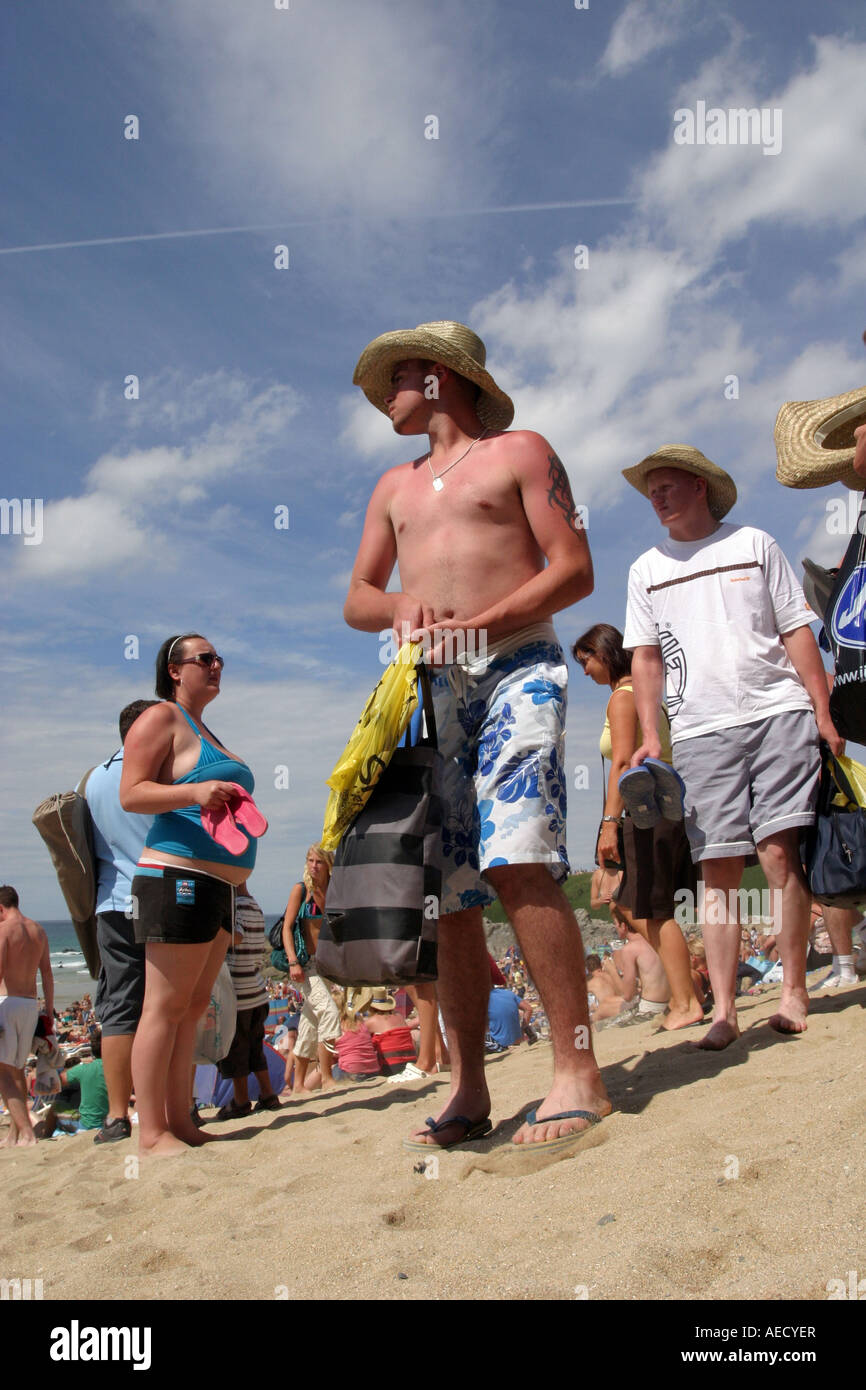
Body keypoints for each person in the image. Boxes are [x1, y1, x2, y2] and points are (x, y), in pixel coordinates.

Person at [346, 319, 610, 1152]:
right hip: (430, 692)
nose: (387, 391)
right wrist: (399, 609)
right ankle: (469, 1085)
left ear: (440, 376)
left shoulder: (522, 451)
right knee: (450, 893)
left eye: (398, 375)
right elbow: (357, 595)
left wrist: (487, 620)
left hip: (519, 665)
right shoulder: (393, 484)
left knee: (518, 853)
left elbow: (575, 567)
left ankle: (578, 1072)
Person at [622, 446, 842, 1049]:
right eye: (651, 491)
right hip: (698, 730)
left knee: (777, 854)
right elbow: (644, 658)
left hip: (777, 711)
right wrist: (649, 735)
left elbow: (796, 628)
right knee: (716, 868)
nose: (657, 498)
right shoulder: (645, 568)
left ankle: (793, 988)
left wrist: (822, 709)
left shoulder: (754, 543)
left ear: (700, 487)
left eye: (667, 486)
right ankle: (723, 1009)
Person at [120, 633, 265, 1156]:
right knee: (163, 1006)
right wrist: (194, 792)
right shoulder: (161, 718)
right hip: (173, 876)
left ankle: (180, 1120)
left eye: (219, 658)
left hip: (218, 887)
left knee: (193, 1005)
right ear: (175, 670)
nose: (216, 665)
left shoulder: (206, 730)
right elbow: (132, 792)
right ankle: (150, 1132)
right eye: (205, 659)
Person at [574, 623, 703, 1030]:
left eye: (586, 660)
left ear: (606, 654)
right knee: (641, 906)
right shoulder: (645, 697)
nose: (584, 671)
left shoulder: (622, 698)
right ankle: (687, 996)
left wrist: (609, 823)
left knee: (651, 909)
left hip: (644, 812)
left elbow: (623, 763)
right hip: (662, 811)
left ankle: (687, 1001)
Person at [85, 700, 157, 1143]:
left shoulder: (93, 778)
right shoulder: (160, 773)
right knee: (165, 1004)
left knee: (119, 1008)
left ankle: (116, 1116)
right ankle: (170, 1106)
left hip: (112, 901)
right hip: (161, 893)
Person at [214, 882, 280, 1118]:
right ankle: (268, 1093)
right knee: (255, 1047)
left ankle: (241, 1100)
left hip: (238, 993)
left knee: (236, 1050)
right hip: (257, 990)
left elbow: (237, 937)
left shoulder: (234, 907)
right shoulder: (255, 906)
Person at [283, 845, 341, 1096]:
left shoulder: (335, 890)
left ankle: (298, 1085)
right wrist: (293, 962)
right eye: (310, 860)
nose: (313, 866)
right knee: (328, 1012)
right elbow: (287, 928)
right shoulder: (302, 890)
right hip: (305, 966)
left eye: (319, 861)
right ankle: (326, 1077)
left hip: (327, 964)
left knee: (309, 1022)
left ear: (329, 864)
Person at [0, 886, 55, 1146]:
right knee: (18, 1070)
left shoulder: (4, 930)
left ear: (0, 908)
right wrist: (50, 1012)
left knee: (2, 1073)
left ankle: (28, 1132)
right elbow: (47, 975)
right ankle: (15, 1133)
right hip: (30, 1006)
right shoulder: (39, 931)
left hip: (6, 1002)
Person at [610, 916, 671, 1015]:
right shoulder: (656, 939)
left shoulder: (630, 948)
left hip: (649, 1008)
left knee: (599, 1026)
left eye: (616, 924)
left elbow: (628, 995)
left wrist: (612, 970)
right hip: (669, 1004)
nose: (615, 927)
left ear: (623, 926)